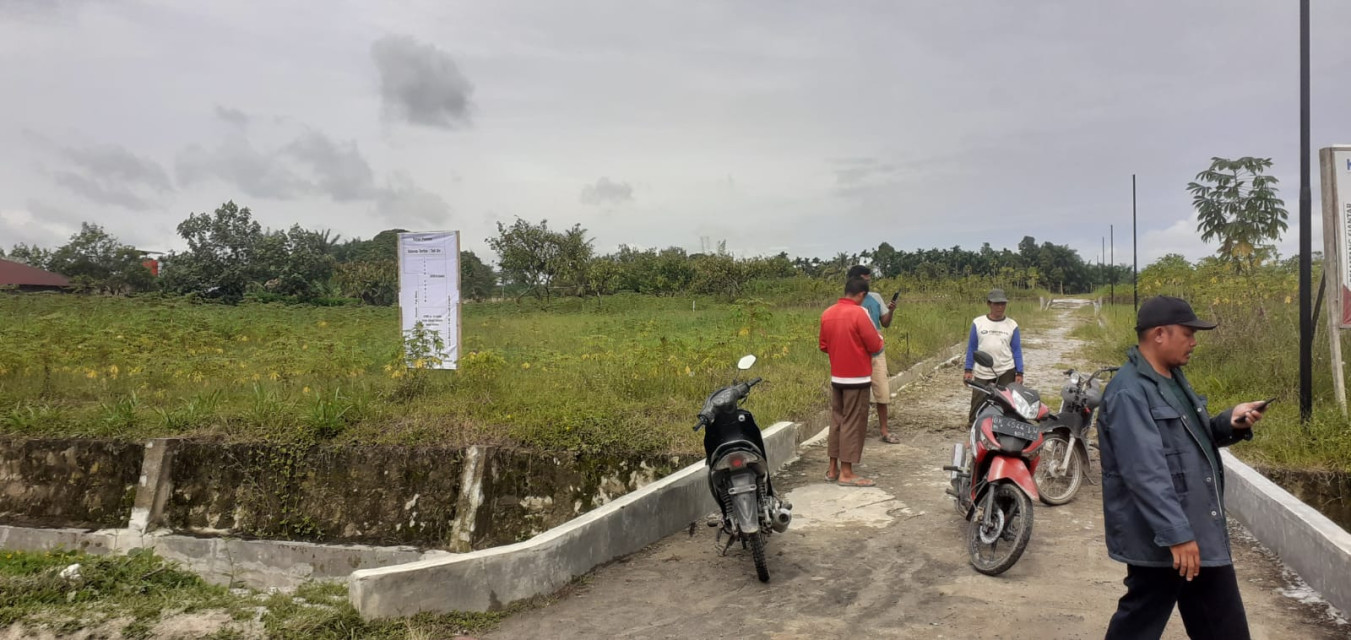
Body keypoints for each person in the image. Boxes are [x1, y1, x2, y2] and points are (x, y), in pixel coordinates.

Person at [1098, 296, 1267, 640]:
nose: (1194, 342)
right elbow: (1144, 472)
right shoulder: (1129, 393)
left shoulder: (1172, 379)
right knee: (1141, 622)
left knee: (1221, 625)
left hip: (1196, 530)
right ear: (1160, 334)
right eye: (1188, 333)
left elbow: (1188, 441)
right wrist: (1178, 535)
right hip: (1166, 540)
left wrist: (1227, 424)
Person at [819, 277, 884, 487]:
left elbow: (823, 345)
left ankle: (832, 469)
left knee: (837, 420)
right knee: (853, 423)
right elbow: (874, 344)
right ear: (862, 295)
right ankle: (846, 472)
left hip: (837, 377)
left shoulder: (827, 313)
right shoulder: (859, 313)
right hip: (857, 378)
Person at [846, 265, 899, 444]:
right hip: (856, 355)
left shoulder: (875, 298)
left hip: (876, 353)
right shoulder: (849, 302)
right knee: (858, 395)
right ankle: (857, 430)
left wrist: (890, 310)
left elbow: (885, 323)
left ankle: (884, 429)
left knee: (882, 392)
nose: (867, 284)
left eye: (869, 281)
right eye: (864, 280)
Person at [963, 288, 1023, 423]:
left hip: (1006, 370)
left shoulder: (1012, 325)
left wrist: (1019, 372)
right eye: (996, 304)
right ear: (989, 304)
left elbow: (1017, 350)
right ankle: (973, 429)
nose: (1000, 307)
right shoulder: (978, 323)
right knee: (978, 402)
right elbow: (972, 347)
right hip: (982, 370)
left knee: (1006, 403)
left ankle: (1002, 431)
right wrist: (968, 369)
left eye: (1003, 304)